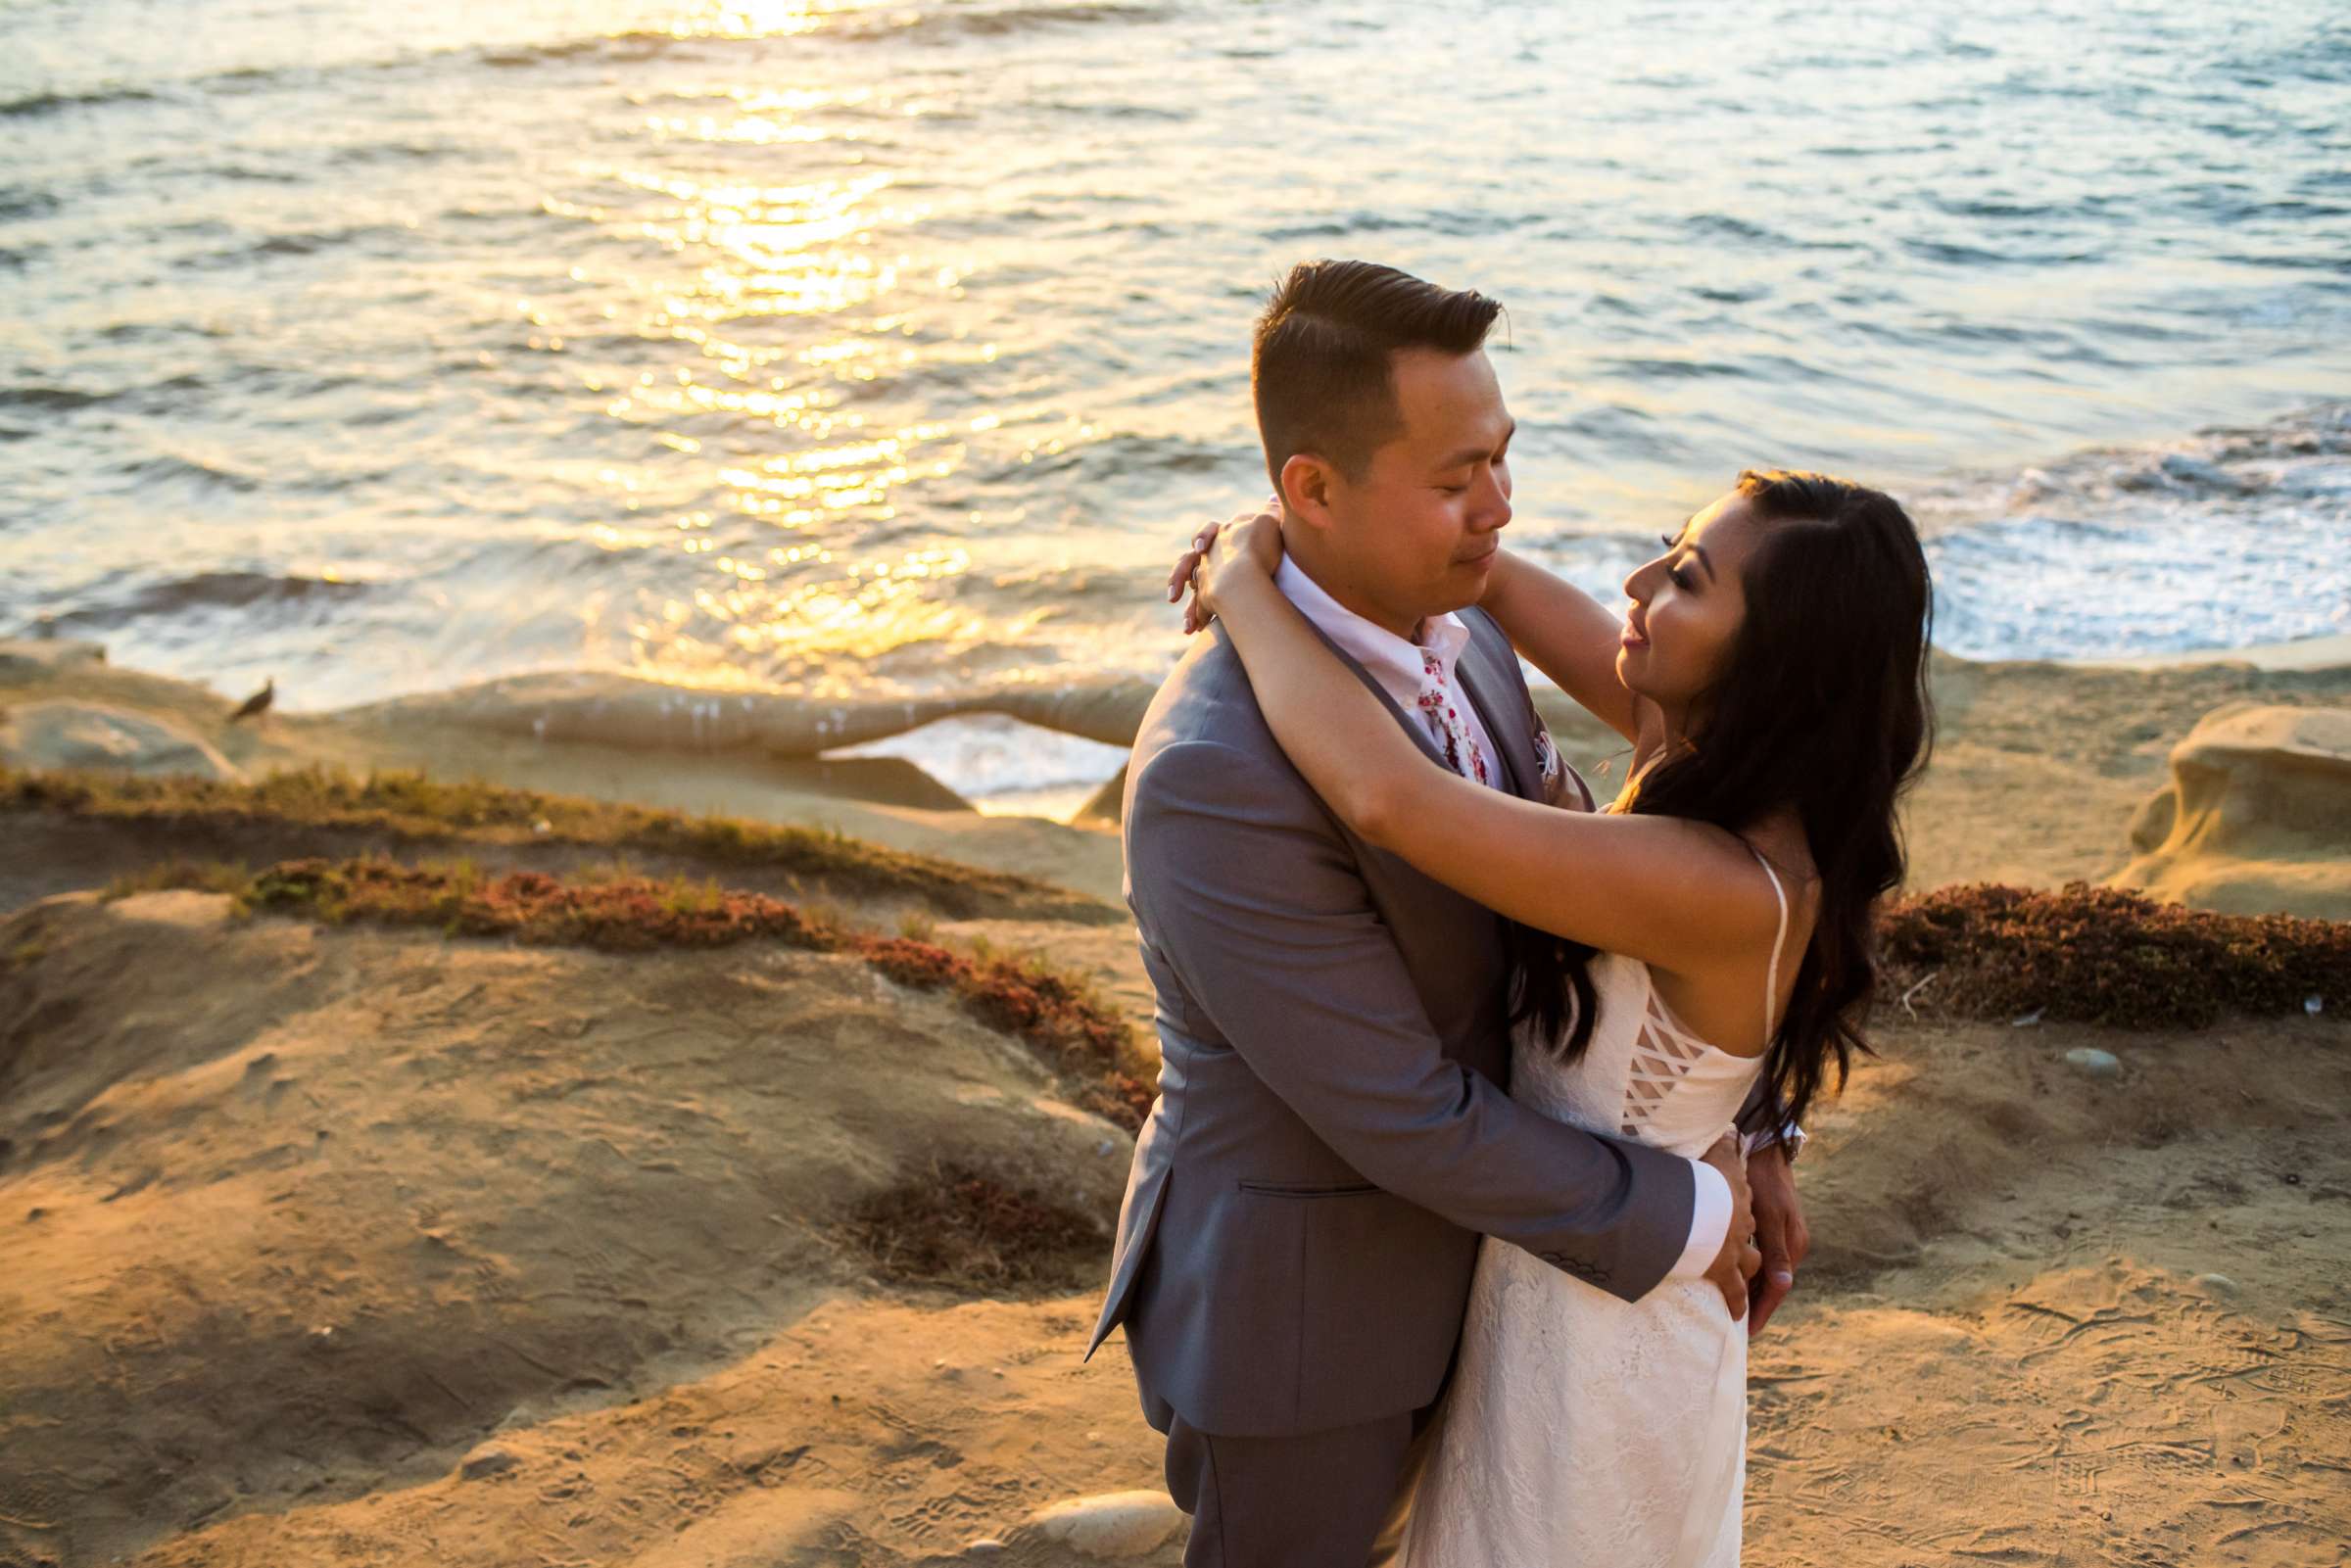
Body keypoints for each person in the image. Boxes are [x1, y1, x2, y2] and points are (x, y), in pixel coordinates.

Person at [1084, 259, 1825, 1566]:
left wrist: (1748, 1117)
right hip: (1324, 1315)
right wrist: (1697, 1209)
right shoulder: (1216, 775)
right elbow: (1401, 1112)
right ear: (1311, 488)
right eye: (1454, 479)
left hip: (1531, 1264)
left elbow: (1616, 888)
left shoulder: (1467, 621)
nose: (1499, 508)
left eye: (1502, 457)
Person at [1172, 438, 1935, 1557]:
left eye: (1685, 581)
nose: (1636, 587)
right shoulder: (1713, 758)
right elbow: (1483, 572)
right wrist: (1318, 516)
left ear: (1778, 658)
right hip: (1565, 1281)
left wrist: (1241, 580)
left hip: (1605, 1349)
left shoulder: (1717, 878)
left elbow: (1390, 800)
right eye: (1668, 553)